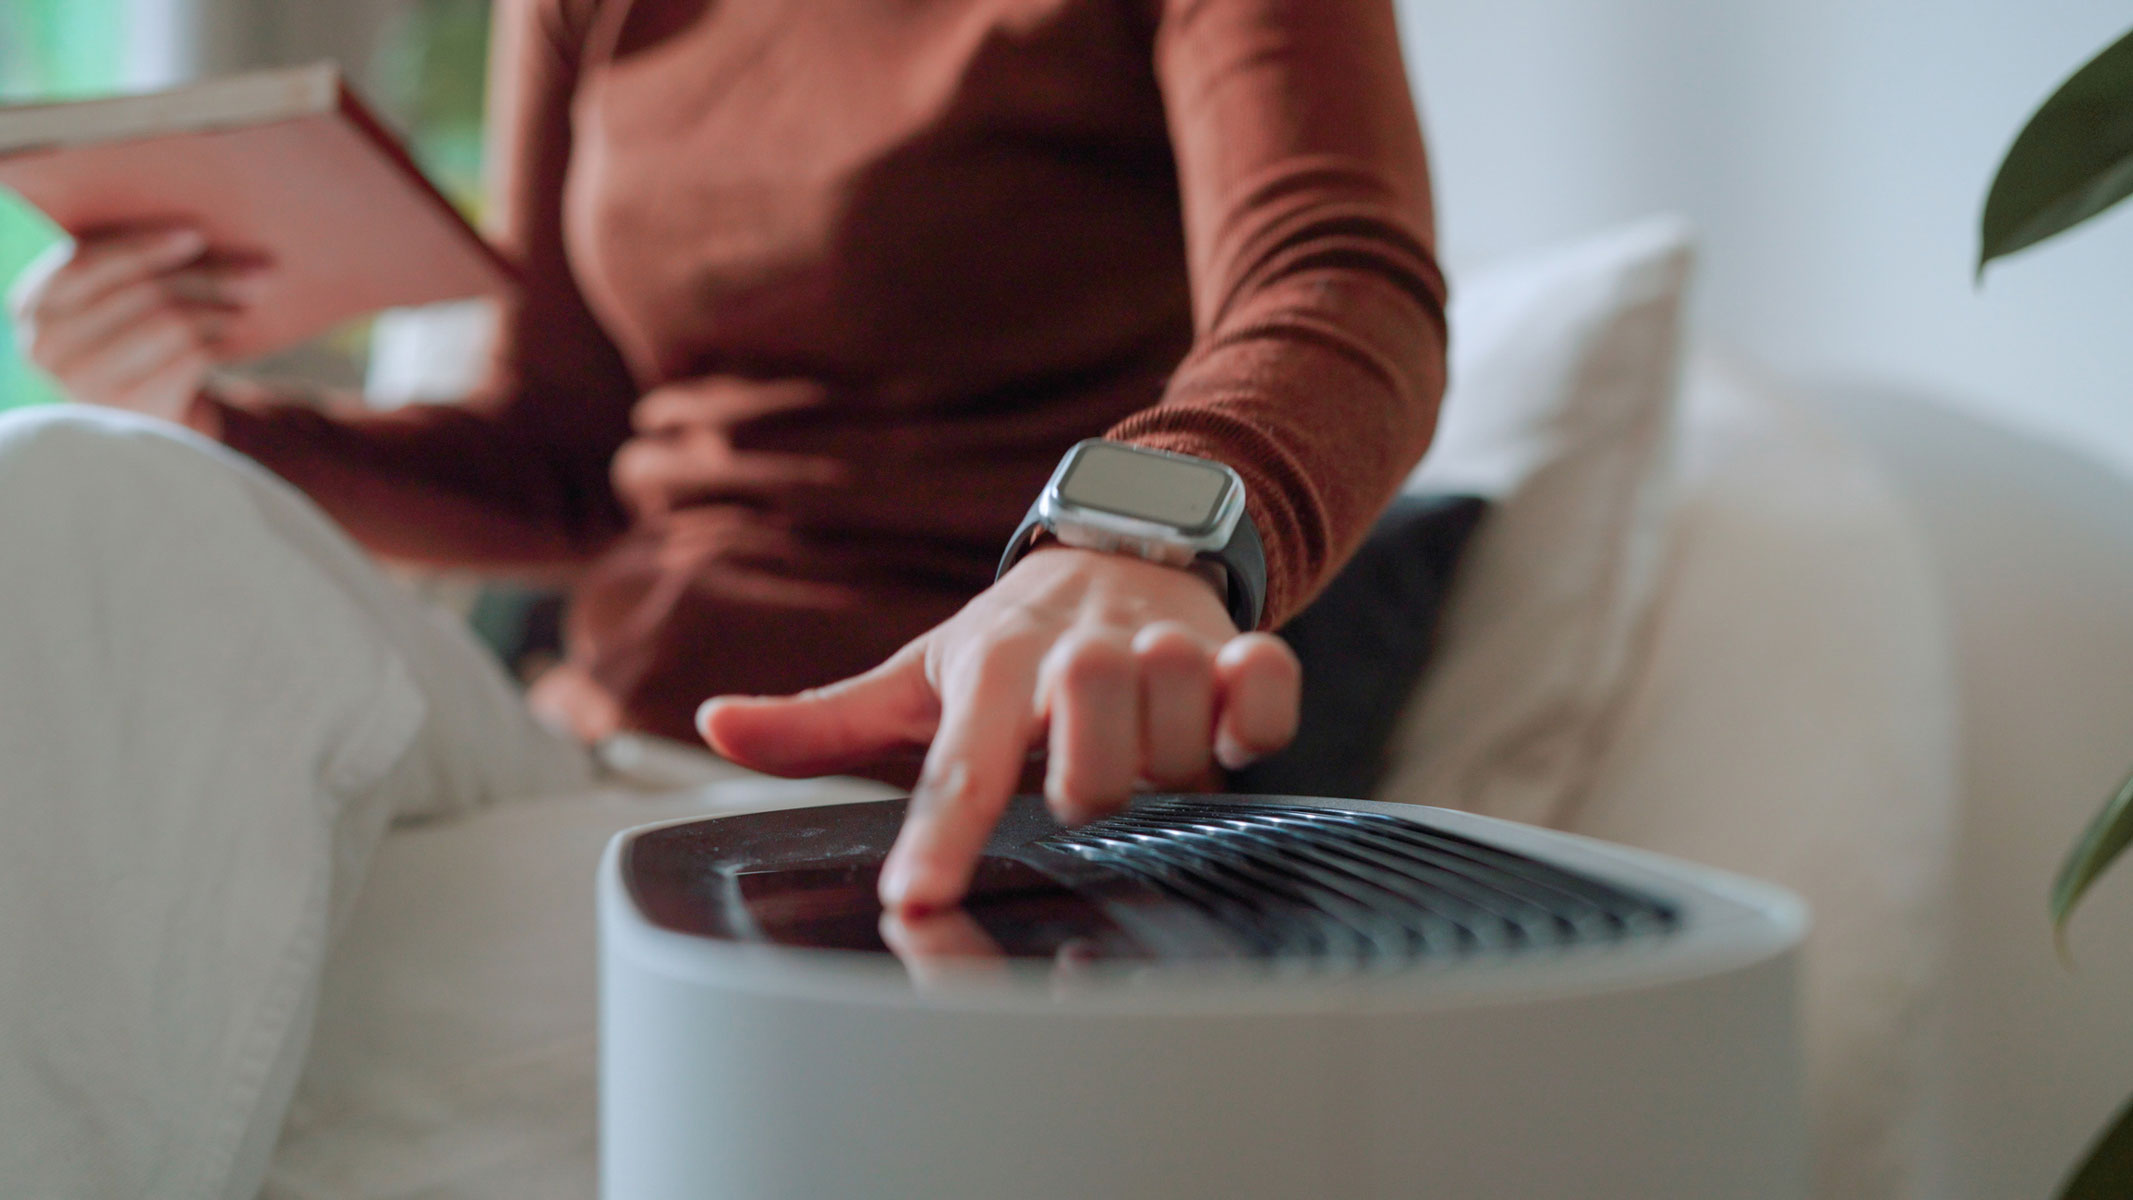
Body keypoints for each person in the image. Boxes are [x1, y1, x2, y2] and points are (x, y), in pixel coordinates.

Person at [1, 0, 1443, 1189]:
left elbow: (1337, 277)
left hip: (915, 804)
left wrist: (1134, 541)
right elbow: (559, 454)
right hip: (576, 740)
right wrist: (210, 420)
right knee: (67, 484)